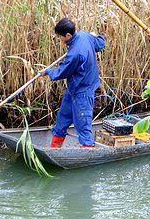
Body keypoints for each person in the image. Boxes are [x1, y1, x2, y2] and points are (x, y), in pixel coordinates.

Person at [40, 18, 106, 147]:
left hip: (83, 90)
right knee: (62, 120)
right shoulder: (84, 35)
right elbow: (100, 44)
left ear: (68, 35)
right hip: (73, 89)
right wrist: (94, 36)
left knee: (83, 125)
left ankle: (88, 152)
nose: (60, 40)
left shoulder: (75, 53)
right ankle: (54, 149)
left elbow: (63, 71)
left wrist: (47, 72)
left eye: (60, 37)